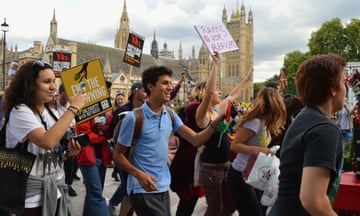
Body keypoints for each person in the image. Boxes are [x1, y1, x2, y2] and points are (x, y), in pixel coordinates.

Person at [113, 65, 226, 216]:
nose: (169, 87)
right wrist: (139, 174)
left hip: (163, 186)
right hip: (142, 188)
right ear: (151, 87)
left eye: (170, 84)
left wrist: (214, 124)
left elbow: (196, 139)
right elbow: (118, 155)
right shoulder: (134, 118)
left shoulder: (170, 115)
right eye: (165, 83)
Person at [3, 60, 86, 216]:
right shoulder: (20, 111)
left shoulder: (50, 111)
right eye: (47, 82)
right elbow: (47, 141)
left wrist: (69, 154)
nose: (53, 87)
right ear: (30, 85)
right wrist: (74, 107)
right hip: (31, 200)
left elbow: (51, 151)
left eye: (54, 81)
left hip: (56, 191)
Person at [269, 54, 346, 215]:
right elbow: (312, 200)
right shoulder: (324, 129)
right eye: (343, 82)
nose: (345, 89)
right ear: (333, 88)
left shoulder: (303, 117)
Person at [228, 87, 286, 216]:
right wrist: (260, 150)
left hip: (253, 175)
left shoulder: (264, 123)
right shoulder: (255, 122)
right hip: (241, 174)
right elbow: (235, 146)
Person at [108, 82, 147, 216]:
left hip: (138, 156)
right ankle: (113, 203)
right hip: (123, 154)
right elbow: (113, 133)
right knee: (128, 188)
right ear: (136, 92)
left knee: (132, 189)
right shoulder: (123, 110)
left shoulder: (147, 109)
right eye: (144, 90)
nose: (147, 93)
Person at [75, 81, 113, 216]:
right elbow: (85, 134)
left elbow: (110, 130)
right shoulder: (84, 109)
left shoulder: (107, 110)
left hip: (101, 157)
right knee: (97, 195)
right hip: (88, 157)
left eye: (109, 90)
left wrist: (106, 130)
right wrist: (104, 139)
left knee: (93, 194)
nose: (107, 93)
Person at [57, 84, 79, 197]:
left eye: (67, 98)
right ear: (60, 94)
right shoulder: (54, 107)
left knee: (71, 162)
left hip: (70, 136)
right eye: (63, 97)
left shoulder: (72, 106)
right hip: (58, 137)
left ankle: (68, 185)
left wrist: (75, 126)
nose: (65, 100)